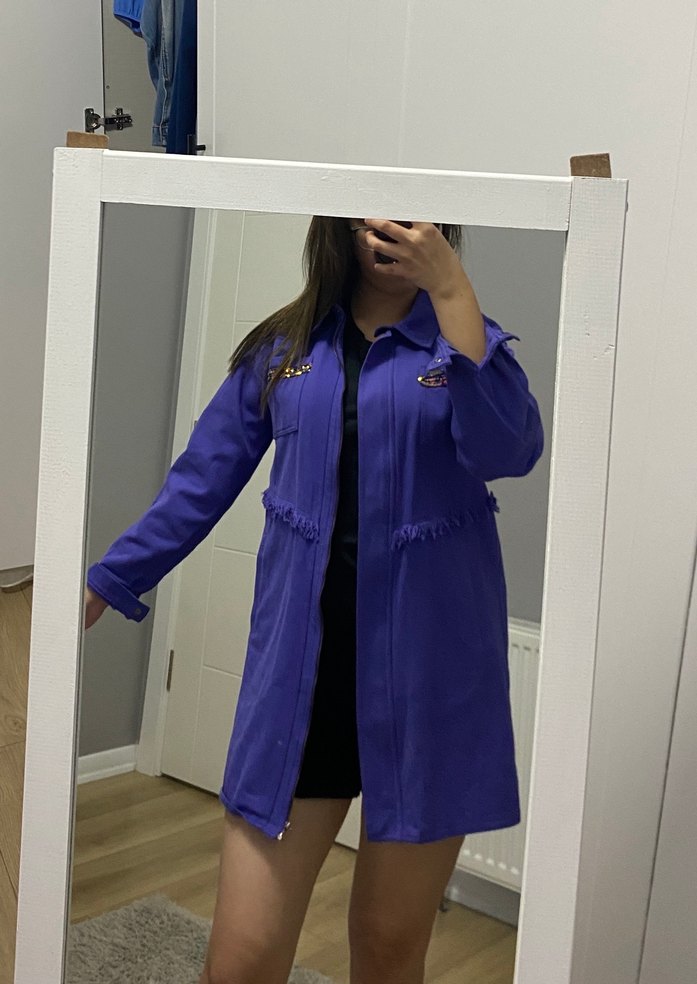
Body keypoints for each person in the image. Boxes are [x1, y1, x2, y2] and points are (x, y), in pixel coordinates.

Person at [84, 216, 544, 984]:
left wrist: (452, 291)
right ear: (338, 224)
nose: (391, 234)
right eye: (373, 217)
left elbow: (510, 450)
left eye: (413, 218)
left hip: (432, 688)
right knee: (240, 960)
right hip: (300, 687)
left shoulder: (466, 341)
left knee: (389, 950)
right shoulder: (283, 348)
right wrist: (108, 577)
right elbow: (201, 479)